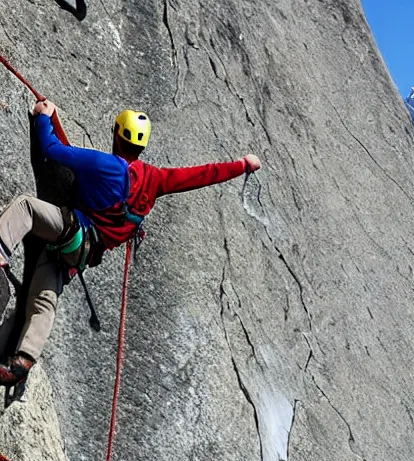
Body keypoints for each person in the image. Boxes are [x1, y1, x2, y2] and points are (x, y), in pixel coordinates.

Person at [0, 100, 261, 385]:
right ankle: (24, 359)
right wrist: (242, 165)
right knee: (44, 298)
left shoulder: (102, 164)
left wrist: (43, 117)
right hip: (80, 255)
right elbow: (201, 175)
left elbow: (52, 149)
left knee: (26, 206)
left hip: (68, 230)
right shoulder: (156, 179)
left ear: (115, 133)